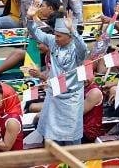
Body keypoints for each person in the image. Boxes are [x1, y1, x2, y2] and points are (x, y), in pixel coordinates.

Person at [27, 9, 88, 145]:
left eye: (59, 36)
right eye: (55, 35)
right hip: (54, 94)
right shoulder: (53, 42)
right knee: (51, 135)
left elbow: (83, 48)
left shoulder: (77, 50)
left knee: (71, 137)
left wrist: (73, 29)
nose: (56, 38)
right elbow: (36, 34)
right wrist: (30, 18)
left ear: (70, 37)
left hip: (72, 97)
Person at [82, 78, 104, 143]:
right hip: (77, 128)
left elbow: (77, 114)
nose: (85, 79)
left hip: (87, 132)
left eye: (87, 75)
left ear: (93, 74)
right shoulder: (80, 87)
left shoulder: (94, 92)